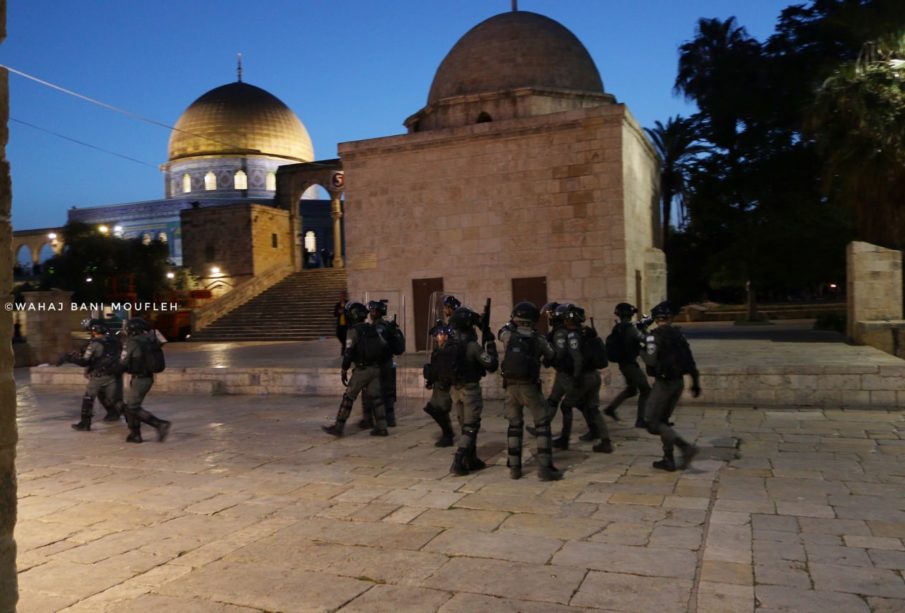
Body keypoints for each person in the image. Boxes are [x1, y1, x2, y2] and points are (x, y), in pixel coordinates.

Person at [498, 301, 562, 480]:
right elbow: (552, 355)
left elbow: (500, 332)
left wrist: (510, 323)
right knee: (542, 424)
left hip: (510, 387)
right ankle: (545, 468)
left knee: (514, 426)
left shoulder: (509, 336)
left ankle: (515, 468)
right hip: (530, 387)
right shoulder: (538, 339)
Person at [640, 301, 701, 471]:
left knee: (652, 422)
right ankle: (668, 459)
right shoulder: (678, 335)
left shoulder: (653, 337)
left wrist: (641, 348)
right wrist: (695, 383)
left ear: (656, 319)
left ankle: (685, 447)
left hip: (664, 384)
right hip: (678, 383)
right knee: (663, 421)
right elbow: (690, 361)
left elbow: (650, 360)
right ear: (670, 318)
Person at [322, 302, 390, 437]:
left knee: (348, 397)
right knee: (377, 398)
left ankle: (339, 427)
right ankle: (382, 427)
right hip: (375, 368)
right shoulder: (372, 328)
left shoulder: (353, 331)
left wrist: (344, 369)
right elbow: (383, 347)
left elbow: (348, 352)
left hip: (362, 369)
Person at [555, 303, 614, 453]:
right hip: (595, 375)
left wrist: (576, 376)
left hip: (584, 376)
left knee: (566, 406)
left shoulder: (573, 335)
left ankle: (564, 439)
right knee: (593, 408)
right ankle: (605, 441)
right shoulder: (587, 332)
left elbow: (577, 358)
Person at [448, 305, 498, 476]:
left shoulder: (450, 342)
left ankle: (472, 458)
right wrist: (490, 342)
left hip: (455, 390)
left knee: (465, 426)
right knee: (471, 426)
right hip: (470, 390)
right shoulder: (472, 346)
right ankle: (458, 461)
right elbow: (491, 364)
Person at [116, 318, 171, 443]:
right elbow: (162, 341)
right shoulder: (150, 340)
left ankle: (159, 424)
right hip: (147, 377)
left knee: (131, 408)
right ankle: (135, 434)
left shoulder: (132, 342)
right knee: (133, 406)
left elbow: (122, 362)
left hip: (139, 379)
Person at [63, 319, 123, 430]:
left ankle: (85, 423)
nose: (91, 333)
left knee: (88, 397)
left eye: (92, 331)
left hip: (99, 375)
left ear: (95, 330)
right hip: (114, 374)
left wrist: (70, 358)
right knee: (112, 398)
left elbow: (85, 361)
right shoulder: (115, 341)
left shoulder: (95, 343)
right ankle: (122, 415)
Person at [603, 303, 652, 428]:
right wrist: (645, 329)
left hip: (623, 364)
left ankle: (610, 408)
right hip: (630, 365)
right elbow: (645, 340)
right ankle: (640, 420)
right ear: (629, 315)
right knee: (646, 390)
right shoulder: (630, 329)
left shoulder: (618, 327)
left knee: (631, 390)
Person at [359, 299, 405, 428]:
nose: (371, 313)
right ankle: (390, 419)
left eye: (373, 311)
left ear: (377, 312)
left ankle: (369, 420)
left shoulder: (375, 328)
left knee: (369, 392)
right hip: (388, 364)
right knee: (389, 393)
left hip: (377, 365)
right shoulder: (389, 326)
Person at [422, 323, 456, 447]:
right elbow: (435, 367)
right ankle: (448, 433)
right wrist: (430, 381)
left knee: (440, 409)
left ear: (446, 336)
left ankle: (448, 435)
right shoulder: (439, 350)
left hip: (445, 385)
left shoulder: (450, 350)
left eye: (439, 335)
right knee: (433, 409)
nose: (436, 338)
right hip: (438, 384)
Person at [333, 291, 349, 356]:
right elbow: (335, 314)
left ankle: (344, 350)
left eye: (342, 296)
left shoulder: (348, 303)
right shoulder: (337, 304)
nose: (341, 297)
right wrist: (339, 312)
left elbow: (350, 312)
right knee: (338, 335)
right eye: (340, 296)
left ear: (345, 296)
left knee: (345, 337)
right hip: (340, 325)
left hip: (346, 324)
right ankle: (344, 346)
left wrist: (344, 311)